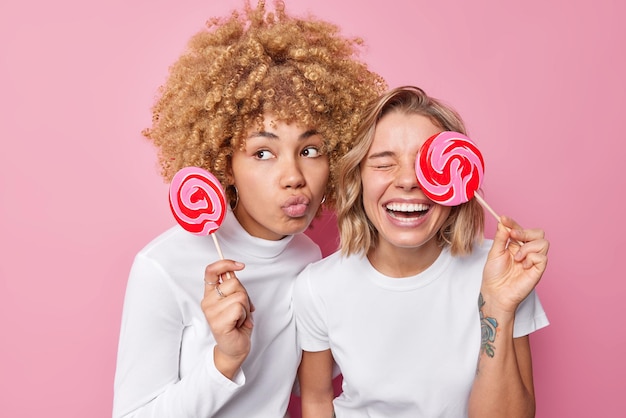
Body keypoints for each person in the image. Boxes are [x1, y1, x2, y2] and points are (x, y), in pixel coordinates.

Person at [112, 1, 386, 416]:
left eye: (310, 149)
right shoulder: (163, 267)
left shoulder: (307, 258)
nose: (294, 175)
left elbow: (303, 383)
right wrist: (225, 360)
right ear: (225, 164)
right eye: (263, 153)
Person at [293, 85, 550, 418]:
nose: (407, 181)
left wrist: (498, 306)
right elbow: (315, 399)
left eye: (428, 165)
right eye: (384, 164)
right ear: (357, 179)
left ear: (459, 178)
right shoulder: (318, 286)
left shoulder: (502, 271)